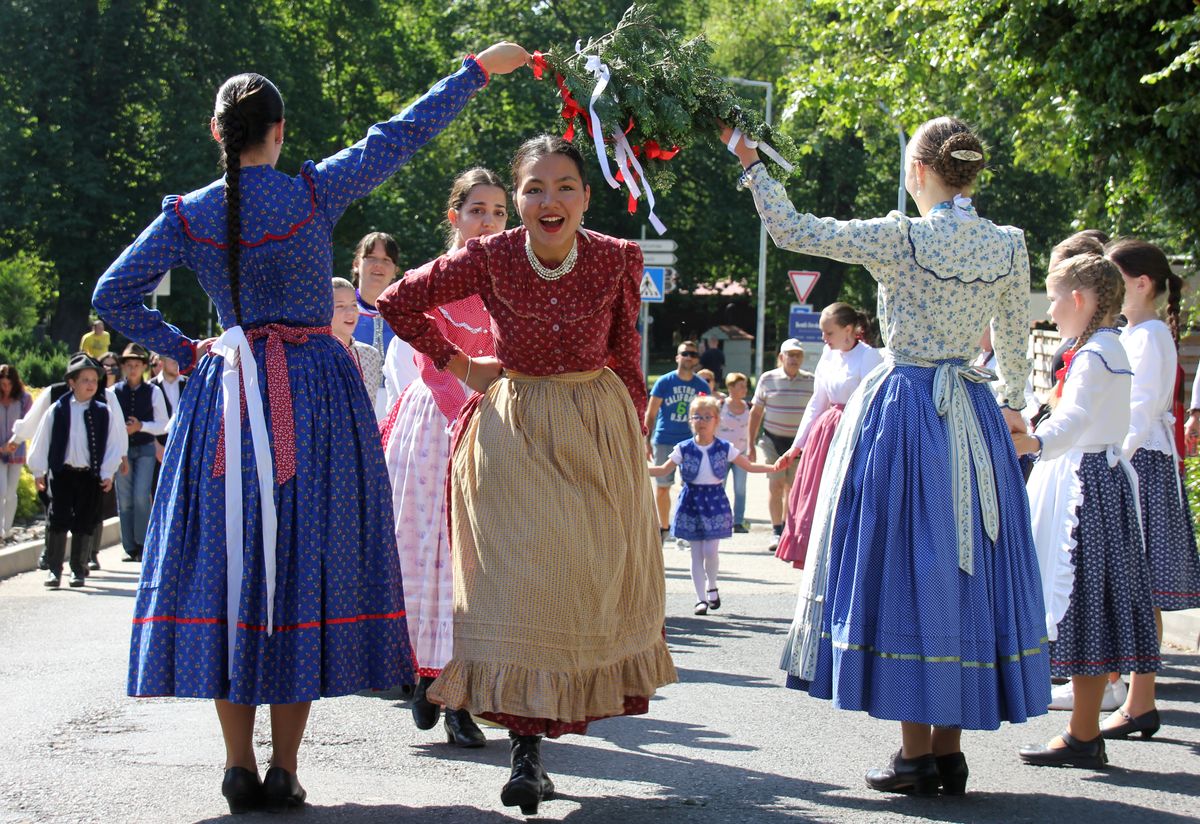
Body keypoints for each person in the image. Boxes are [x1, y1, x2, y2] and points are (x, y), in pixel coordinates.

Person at [91, 44, 530, 814]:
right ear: (280, 131)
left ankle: (237, 763)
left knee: (234, 569)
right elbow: (403, 132)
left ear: (216, 132)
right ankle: (287, 768)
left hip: (228, 398)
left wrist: (187, 350)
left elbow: (112, 293)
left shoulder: (190, 213)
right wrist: (474, 69)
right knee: (298, 572)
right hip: (314, 398)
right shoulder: (310, 194)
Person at [728, 115, 1050, 795]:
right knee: (965, 568)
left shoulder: (900, 236)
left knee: (907, 560)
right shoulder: (1009, 245)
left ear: (918, 171)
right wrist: (1013, 403)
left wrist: (754, 165)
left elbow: (795, 231)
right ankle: (949, 750)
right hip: (971, 408)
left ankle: (913, 754)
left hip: (905, 409)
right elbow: (1016, 343)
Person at [377, 135, 677, 815]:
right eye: (535, 188)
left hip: (593, 431)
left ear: (585, 197)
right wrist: (460, 364)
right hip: (511, 432)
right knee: (515, 591)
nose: (550, 200)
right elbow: (395, 302)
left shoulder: (616, 258)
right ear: (517, 200)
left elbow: (626, 354)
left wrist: (630, 436)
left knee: (576, 586)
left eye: (565, 186)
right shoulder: (491, 256)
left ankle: (535, 741)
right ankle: (525, 752)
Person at [1016, 254, 1160, 768]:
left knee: (1082, 602)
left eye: (1055, 298)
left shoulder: (1097, 352)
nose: (1051, 311)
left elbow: (1074, 417)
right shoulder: (1098, 347)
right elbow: (1069, 409)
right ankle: (1082, 729)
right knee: (1087, 604)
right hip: (1094, 478)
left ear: (1079, 299)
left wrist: (1032, 441)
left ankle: (1083, 733)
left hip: (1085, 484)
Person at [380, 167, 507, 748]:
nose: (489, 220)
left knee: (479, 565)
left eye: (499, 211)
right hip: (434, 422)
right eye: (477, 209)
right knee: (427, 554)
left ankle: (460, 693)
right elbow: (431, 362)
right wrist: (466, 411)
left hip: (494, 425)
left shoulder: (511, 278)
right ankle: (421, 672)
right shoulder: (427, 278)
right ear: (453, 216)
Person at [1104, 238, 1200, 739]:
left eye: (1114, 280)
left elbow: (1138, 411)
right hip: (1137, 459)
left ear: (1141, 283)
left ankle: (1139, 699)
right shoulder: (1139, 333)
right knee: (1137, 588)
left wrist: (1111, 456)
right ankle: (1130, 693)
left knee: (1143, 588)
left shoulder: (1150, 336)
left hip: (1142, 463)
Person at [774, 303, 882, 569]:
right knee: (814, 495)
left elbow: (874, 403)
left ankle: (843, 557)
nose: (824, 338)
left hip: (856, 431)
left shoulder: (869, 357)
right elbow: (817, 402)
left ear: (848, 330)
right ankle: (816, 556)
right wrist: (797, 446)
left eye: (829, 332)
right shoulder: (828, 354)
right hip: (826, 434)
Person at [649, 395, 777, 615]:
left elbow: (748, 466)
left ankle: (712, 585)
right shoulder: (683, 448)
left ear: (717, 420)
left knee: (711, 551)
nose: (702, 421)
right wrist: (635, 468)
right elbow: (663, 470)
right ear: (690, 420)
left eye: (707, 417)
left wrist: (774, 467)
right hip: (691, 502)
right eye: (697, 416)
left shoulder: (724, 447)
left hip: (714, 502)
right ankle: (701, 599)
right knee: (696, 553)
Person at [7, 356, 129, 570]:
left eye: (94, 378)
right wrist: (35, 466)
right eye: (85, 379)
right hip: (61, 470)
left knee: (87, 516)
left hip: (90, 471)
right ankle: (53, 561)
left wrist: (112, 467)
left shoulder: (106, 403)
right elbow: (36, 427)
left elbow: (116, 435)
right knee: (57, 514)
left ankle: (83, 562)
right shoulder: (56, 401)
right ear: (72, 381)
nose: (91, 384)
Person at [748, 339, 814, 552]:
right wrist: (750, 444)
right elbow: (756, 412)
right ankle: (777, 530)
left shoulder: (812, 381)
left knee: (793, 489)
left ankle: (789, 530)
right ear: (781, 357)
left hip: (798, 443)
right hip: (772, 441)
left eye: (797, 355)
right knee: (776, 485)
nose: (794, 359)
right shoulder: (768, 379)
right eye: (790, 355)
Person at [645, 341, 711, 548]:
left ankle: (684, 529)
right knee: (663, 487)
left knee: (690, 488)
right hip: (665, 438)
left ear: (697, 359)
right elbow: (651, 412)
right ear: (677, 357)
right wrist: (645, 440)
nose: (688, 357)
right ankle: (663, 528)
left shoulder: (701, 386)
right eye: (685, 353)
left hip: (691, 442)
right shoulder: (665, 382)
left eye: (692, 354)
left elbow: (708, 414)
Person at [351, 232, 418, 419]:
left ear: (395, 269)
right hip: (352, 408)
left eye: (386, 259)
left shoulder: (408, 315)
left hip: (398, 411)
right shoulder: (337, 312)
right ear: (356, 264)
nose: (378, 265)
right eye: (371, 257)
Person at [111, 343, 168, 562]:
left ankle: (144, 543)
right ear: (123, 367)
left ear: (144, 366)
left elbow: (163, 424)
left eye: (137, 364)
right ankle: (129, 546)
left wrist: (140, 426)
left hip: (145, 448)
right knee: (124, 498)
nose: (133, 369)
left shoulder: (153, 392)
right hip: (121, 451)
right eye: (129, 365)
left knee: (141, 495)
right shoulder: (114, 392)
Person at [331, 277, 384, 399]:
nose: (350, 312)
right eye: (340, 306)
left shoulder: (370, 355)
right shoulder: (313, 355)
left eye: (354, 305)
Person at [0, 364, 34, 541]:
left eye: (8, 384)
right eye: (2, 384)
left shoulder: (24, 399)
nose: (5, 388)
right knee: (1, 490)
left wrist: (15, 441)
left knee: (11, 491)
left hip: (16, 449)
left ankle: (6, 528)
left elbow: (30, 423)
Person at [717, 371, 752, 532]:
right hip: (721, 453)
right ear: (730, 387)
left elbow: (753, 429)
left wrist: (751, 447)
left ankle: (738, 521)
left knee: (740, 488)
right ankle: (719, 519)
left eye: (745, 386)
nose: (744, 390)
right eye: (741, 386)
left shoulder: (749, 407)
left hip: (740, 453)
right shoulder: (720, 405)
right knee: (719, 487)